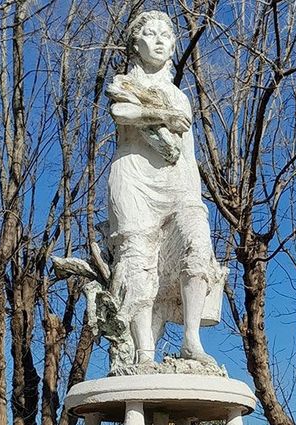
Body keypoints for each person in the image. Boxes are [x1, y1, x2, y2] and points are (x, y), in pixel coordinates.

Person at [106, 10, 219, 366]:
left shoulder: (180, 97)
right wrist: (165, 117)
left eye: (165, 35)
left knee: (197, 244)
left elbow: (188, 154)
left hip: (178, 185)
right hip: (134, 181)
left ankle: (191, 339)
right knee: (137, 260)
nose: (158, 41)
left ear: (172, 46)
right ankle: (144, 353)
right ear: (134, 44)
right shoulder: (124, 84)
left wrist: (195, 201)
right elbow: (122, 113)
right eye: (150, 34)